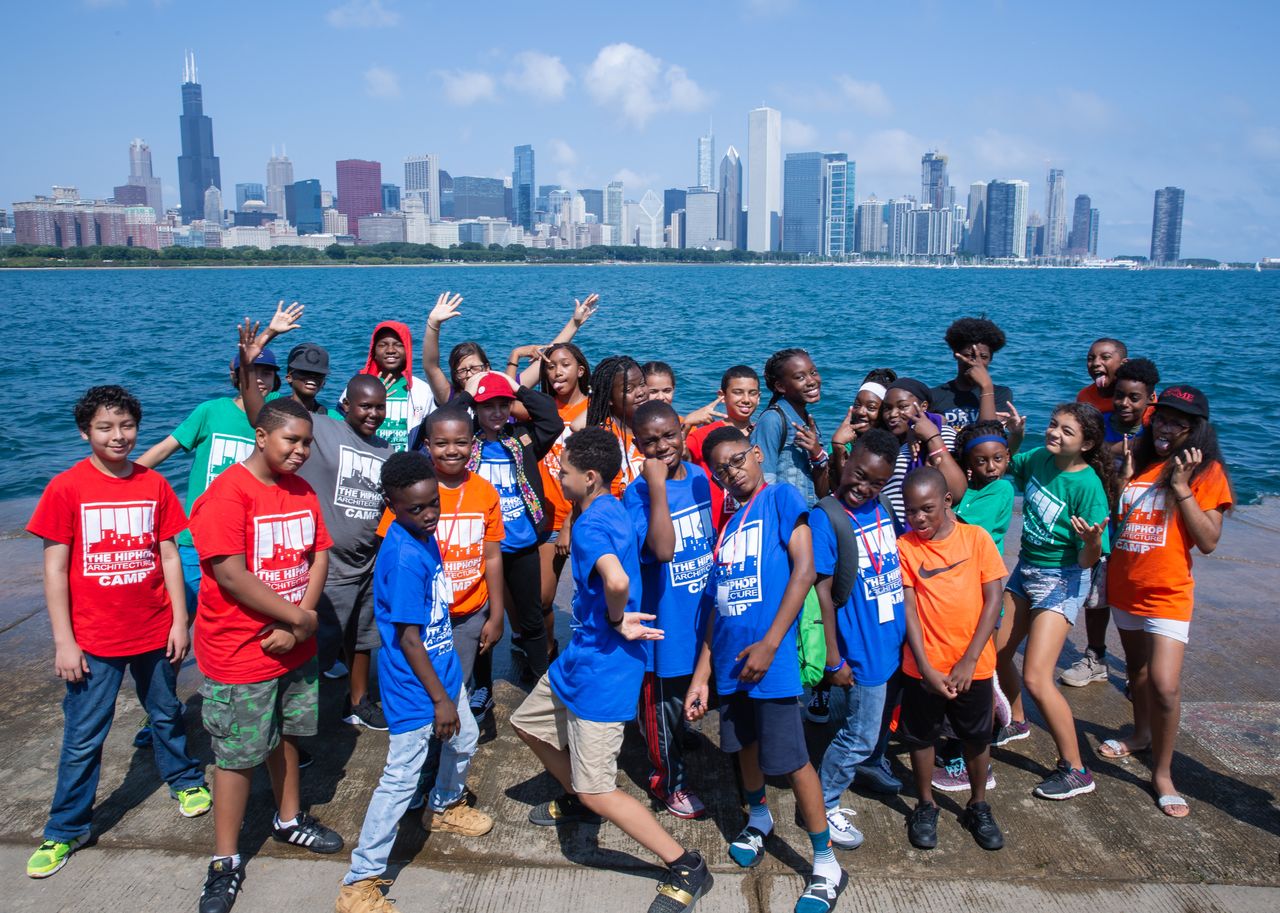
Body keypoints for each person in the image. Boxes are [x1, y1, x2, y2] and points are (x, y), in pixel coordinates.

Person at [511, 427, 712, 913]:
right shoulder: (613, 506)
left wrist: (619, 617)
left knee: (599, 787)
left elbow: (618, 578)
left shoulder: (590, 527)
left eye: (564, 472)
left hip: (604, 670)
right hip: (579, 659)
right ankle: (577, 796)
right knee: (527, 723)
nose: (558, 477)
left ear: (590, 477)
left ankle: (686, 865)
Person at [25, 386, 209, 880]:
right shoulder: (66, 488)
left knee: (166, 712)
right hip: (93, 641)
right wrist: (65, 641)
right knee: (84, 735)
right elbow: (54, 569)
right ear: (85, 432)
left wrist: (178, 621)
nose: (118, 436)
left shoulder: (153, 484)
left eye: (126, 425)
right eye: (105, 427)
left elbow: (170, 555)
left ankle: (185, 778)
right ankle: (66, 828)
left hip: (154, 631)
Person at [189, 396, 344, 913]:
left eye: (306, 442)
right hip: (240, 650)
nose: (300, 451)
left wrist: (299, 621)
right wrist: (300, 620)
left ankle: (289, 818)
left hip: (292, 649)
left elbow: (318, 553)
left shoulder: (301, 490)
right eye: (290, 440)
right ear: (261, 436)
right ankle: (225, 860)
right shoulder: (227, 495)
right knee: (235, 757)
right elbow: (231, 574)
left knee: (289, 737)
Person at [686, 426, 849, 913]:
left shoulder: (779, 498)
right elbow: (717, 610)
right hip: (731, 667)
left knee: (793, 759)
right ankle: (759, 818)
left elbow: (804, 571)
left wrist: (770, 642)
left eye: (737, 461)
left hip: (770, 664)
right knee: (743, 747)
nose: (731, 474)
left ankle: (825, 861)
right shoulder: (727, 528)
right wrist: (701, 675)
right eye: (721, 471)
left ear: (756, 454)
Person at [335, 452, 492, 913]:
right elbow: (406, 638)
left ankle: (442, 806)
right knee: (400, 777)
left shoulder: (423, 535)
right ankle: (359, 880)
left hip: (442, 672)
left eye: (432, 505)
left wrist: (448, 693)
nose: (428, 516)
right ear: (391, 505)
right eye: (415, 509)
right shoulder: (403, 554)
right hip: (415, 688)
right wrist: (441, 700)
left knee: (466, 740)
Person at [240, 314, 396, 729]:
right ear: (347, 406)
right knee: (316, 644)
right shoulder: (323, 429)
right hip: (328, 569)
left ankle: (359, 701)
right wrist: (253, 360)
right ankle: (289, 720)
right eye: (365, 405)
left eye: (380, 406)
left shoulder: (386, 450)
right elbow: (264, 416)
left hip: (367, 564)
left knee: (364, 640)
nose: (373, 413)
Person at [1099, 386, 1232, 818]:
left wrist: (1180, 485)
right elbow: (1123, 522)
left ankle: (1162, 773)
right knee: (1136, 671)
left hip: (1168, 591)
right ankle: (1139, 735)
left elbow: (1208, 541)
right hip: (1125, 586)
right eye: (1162, 418)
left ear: (1195, 430)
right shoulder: (1138, 460)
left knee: (1165, 685)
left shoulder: (1206, 472)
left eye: (1179, 422)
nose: (1166, 427)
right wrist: (1120, 482)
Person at [993, 404, 1112, 801]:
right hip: (1026, 570)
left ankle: (1076, 769)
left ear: (1088, 443)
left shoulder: (1088, 486)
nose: (1054, 434)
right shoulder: (1040, 458)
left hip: (1063, 580)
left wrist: (1093, 542)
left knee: (1037, 677)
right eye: (1053, 425)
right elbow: (1009, 464)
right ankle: (1018, 721)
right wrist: (1014, 435)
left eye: (1066, 431)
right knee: (996, 653)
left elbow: (1087, 560)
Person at [896, 467, 1007, 851]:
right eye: (911, 511)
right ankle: (926, 804)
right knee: (920, 736)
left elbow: (994, 599)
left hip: (972, 666)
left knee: (976, 737)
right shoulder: (906, 547)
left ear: (947, 501)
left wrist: (969, 659)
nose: (919, 518)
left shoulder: (976, 540)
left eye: (927, 508)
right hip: (923, 667)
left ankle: (978, 803)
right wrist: (926, 667)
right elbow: (909, 609)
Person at [809, 429, 906, 851]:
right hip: (859, 648)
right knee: (860, 737)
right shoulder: (827, 516)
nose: (862, 488)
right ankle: (821, 805)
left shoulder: (881, 506)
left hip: (887, 640)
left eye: (876, 483)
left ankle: (825, 783)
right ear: (845, 461)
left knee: (847, 723)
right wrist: (834, 658)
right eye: (859, 474)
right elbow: (823, 594)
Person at [624, 401, 714, 820]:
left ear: (682, 431)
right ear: (638, 446)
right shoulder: (638, 493)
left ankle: (680, 742)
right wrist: (657, 486)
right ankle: (668, 782)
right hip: (665, 626)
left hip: (697, 615)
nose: (662, 446)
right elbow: (662, 550)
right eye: (650, 441)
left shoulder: (699, 477)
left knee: (684, 703)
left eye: (668, 435)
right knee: (661, 711)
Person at [453, 370, 561, 701]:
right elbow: (441, 420)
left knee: (531, 620)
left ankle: (544, 683)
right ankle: (481, 687)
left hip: (521, 545)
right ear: (476, 409)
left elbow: (551, 420)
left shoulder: (523, 440)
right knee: (481, 620)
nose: (496, 413)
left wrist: (516, 387)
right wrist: (469, 394)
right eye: (488, 406)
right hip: (480, 548)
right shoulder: (465, 442)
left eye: (503, 405)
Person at [1062, 357, 1160, 689]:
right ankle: (1096, 656)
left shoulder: (1154, 432)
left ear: (1150, 399)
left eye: (1135, 398)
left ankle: (1139, 667)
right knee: (1096, 595)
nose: (1125, 403)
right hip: (1102, 522)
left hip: (1139, 526)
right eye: (1120, 395)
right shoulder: (1100, 424)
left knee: (1137, 596)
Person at [529, 341, 591, 676]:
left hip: (583, 517)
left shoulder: (595, 411)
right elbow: (511, 392)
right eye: (550, 367)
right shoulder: (541, 408)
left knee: (590, 597)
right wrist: (518, 357)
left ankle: (586, 655)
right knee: (541, 598)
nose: (556, 373)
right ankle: (548, 648)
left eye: (564, 365)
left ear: (580, 370)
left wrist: (572, 519)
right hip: (547, 518)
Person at [874, 379, 969, 534]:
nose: (892, 414)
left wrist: (932, 437)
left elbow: (957, 492)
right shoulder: (895, 447)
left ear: (923, 406)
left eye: (903, 406)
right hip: (895, 536)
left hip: (925, 535)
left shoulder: (942, 434)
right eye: (887, 408)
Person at [751, 348, 830, 507]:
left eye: (813, 372)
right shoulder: (772, 420)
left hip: (809, 517)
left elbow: (821, 493)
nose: (811, 381)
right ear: (780, 386)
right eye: (800, 377)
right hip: (787, 518)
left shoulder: (808, 421)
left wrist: (817, 455)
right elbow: (764, 481)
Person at [685, 365, 761, 531]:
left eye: (752, 393)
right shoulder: (702, 436)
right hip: (716, 527)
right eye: (738, 392)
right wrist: (687, 423)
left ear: (759, 397)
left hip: (755, 523)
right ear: (722, 396)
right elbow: (673, 459)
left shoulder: (762, 434)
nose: (746, 399)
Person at [361, 317, 435, 452]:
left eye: (398, 344)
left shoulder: (422, 390)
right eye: (383, 345)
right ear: (373, 352)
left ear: (408, 350)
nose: (390, 350)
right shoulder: (360, 386)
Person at [929, 318, 1015, 431]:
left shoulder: (1001, 394)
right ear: (956, 354)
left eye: (983, 357)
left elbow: (989, 434)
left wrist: (986, 387)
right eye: (969, 355)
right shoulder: (934, 395)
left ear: (991, 359)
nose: (975, 362)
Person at [585, 355, 651, 496]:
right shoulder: (601, 441)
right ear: (609, 398)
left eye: (642, 384)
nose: (640, 393)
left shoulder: (656, 426)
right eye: (628, 389)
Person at [952, 421, 1016, 554]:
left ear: (1007, 456)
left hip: (981, 567)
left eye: (998, 458)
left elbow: (967, 531)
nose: (991, 467)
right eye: (981, 461)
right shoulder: (963, 487)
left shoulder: (1002, 488)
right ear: (969, 462)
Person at [827, 368, 896, 491]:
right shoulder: (842, 440)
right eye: (857, 405)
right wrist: (838, 448)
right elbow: (842, 490)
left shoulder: (894, 443)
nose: (861, 412)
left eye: (871, 407)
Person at [269, 340, 340, 418]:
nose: (312, 377)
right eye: (305, 372)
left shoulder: (333, 417)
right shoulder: (272, 406)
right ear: (289, 377)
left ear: (324, 383)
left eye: (319, 374)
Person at [1076, 338, 1128, 414]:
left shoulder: (1135, 394)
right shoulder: (1084, 397)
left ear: (1123, 364)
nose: (1095, 363)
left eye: (1105, 357)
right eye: (1090, 359)